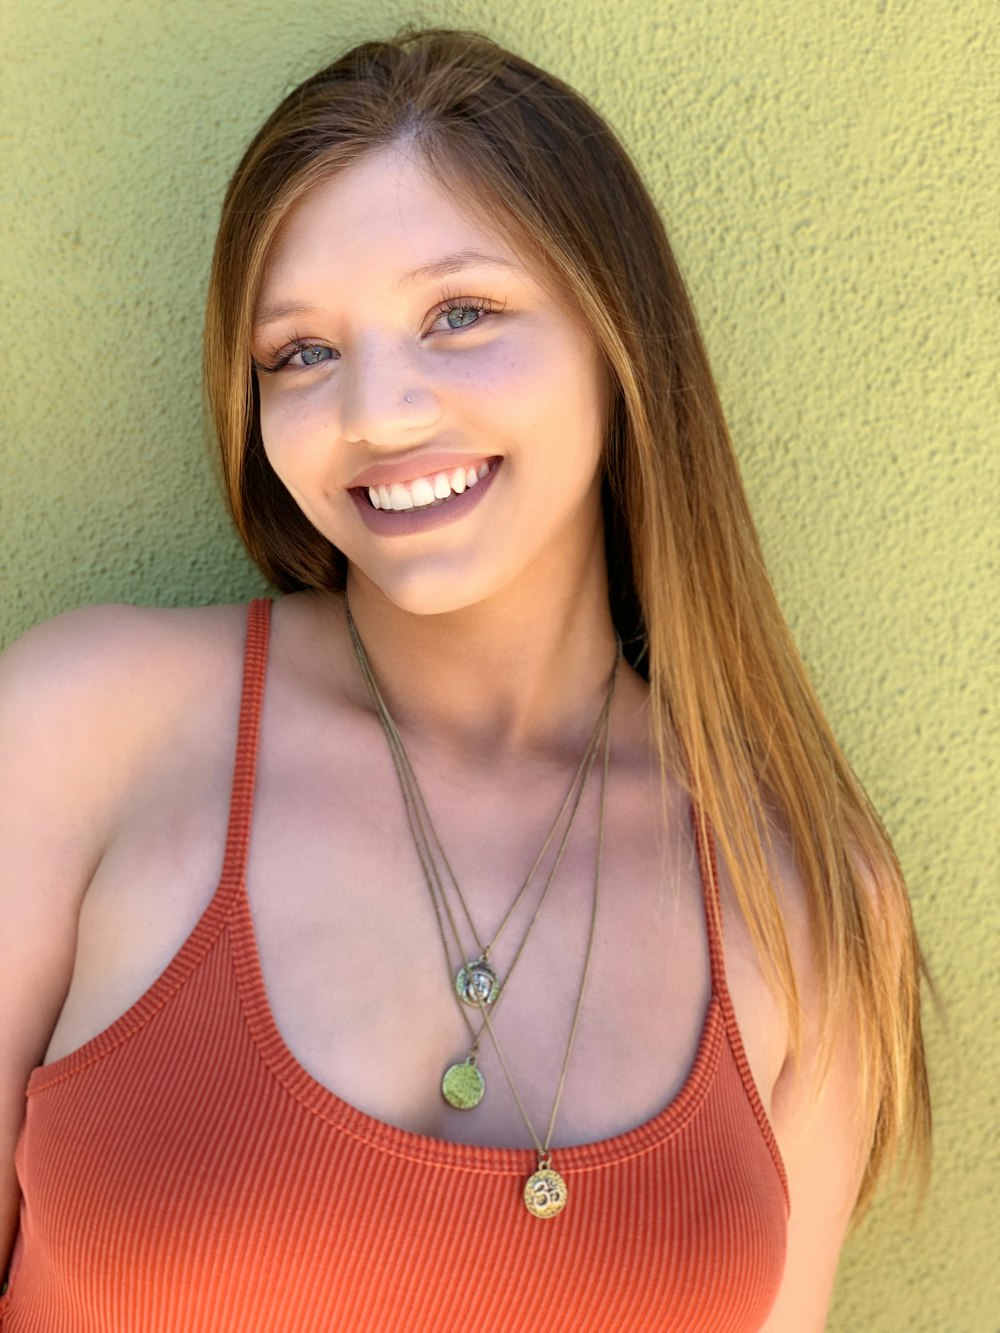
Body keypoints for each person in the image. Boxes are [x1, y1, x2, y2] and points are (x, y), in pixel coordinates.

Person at [0, 27, 930, 1332]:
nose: (378, 412)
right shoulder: (82, 732)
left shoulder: (807, 890)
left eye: (462, 314)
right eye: (301, 353)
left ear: (618, 340)